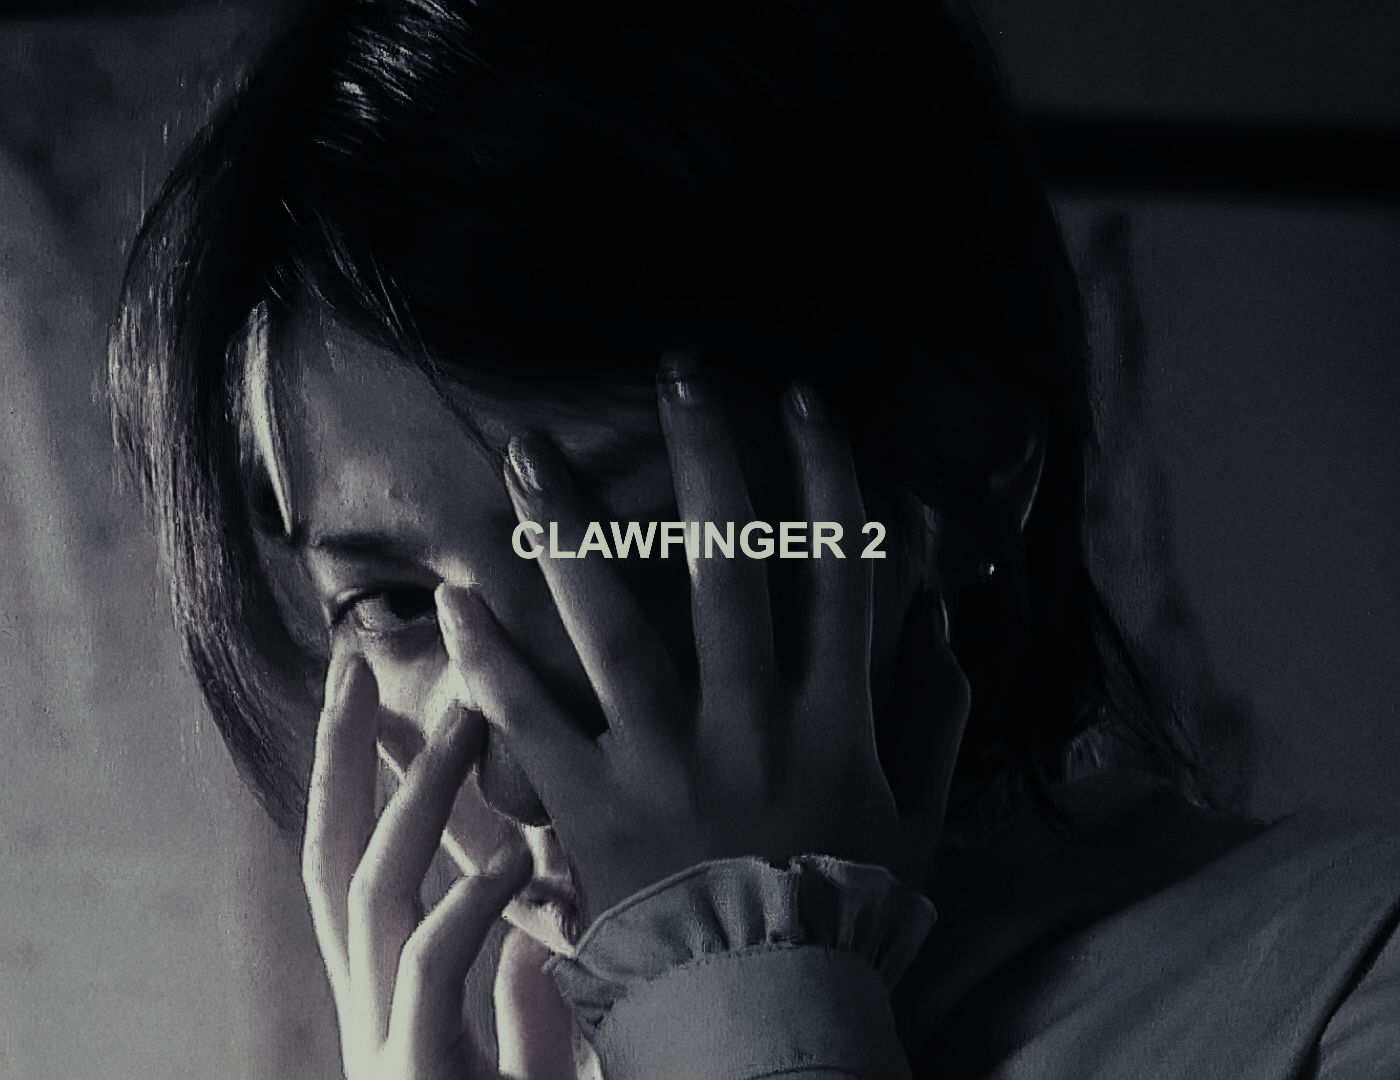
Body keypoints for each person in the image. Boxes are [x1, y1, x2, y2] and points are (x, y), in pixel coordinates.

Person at [108, 0, 1400, 1076]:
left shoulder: (1350, 989)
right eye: (392, 603)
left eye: (621, 544)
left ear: (968, 469)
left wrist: (745, 995)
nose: (509, 766)